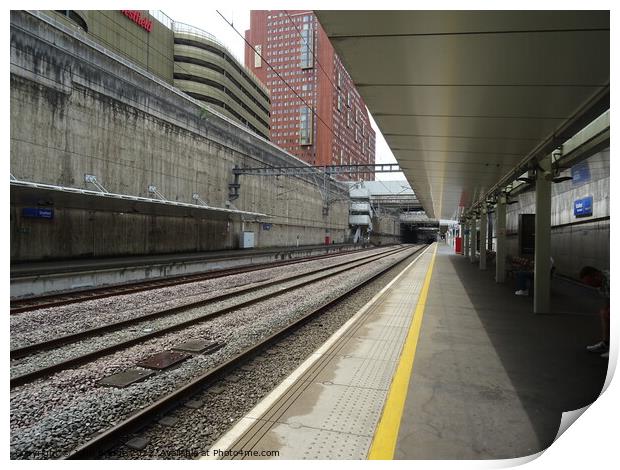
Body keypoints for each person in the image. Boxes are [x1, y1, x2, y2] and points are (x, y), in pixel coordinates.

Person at [580, 266, 610, 358]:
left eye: (590, 282)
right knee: (605, 314)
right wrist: (606, 309)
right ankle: (606, 344)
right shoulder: (600, 282)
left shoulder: (611, 280)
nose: (589, 285)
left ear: (596, 276)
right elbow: (608, 297)